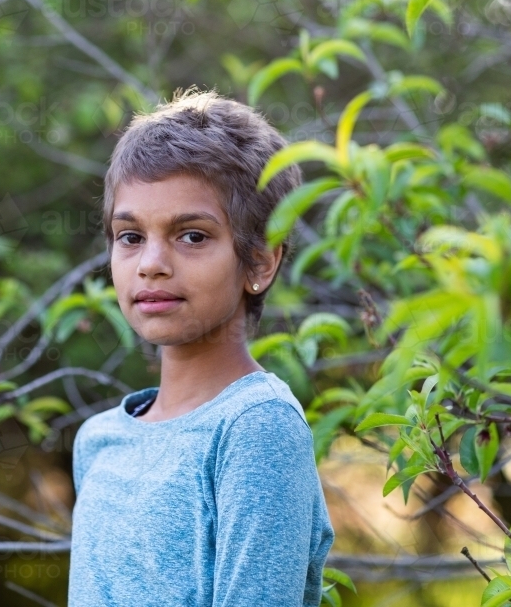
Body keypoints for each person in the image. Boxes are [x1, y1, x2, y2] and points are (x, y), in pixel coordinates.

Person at [68, 87, 335, 606]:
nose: (151, 263)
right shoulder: (97, 441)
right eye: (130, 236)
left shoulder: (256, 427)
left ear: (259, 263)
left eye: (191, 236)